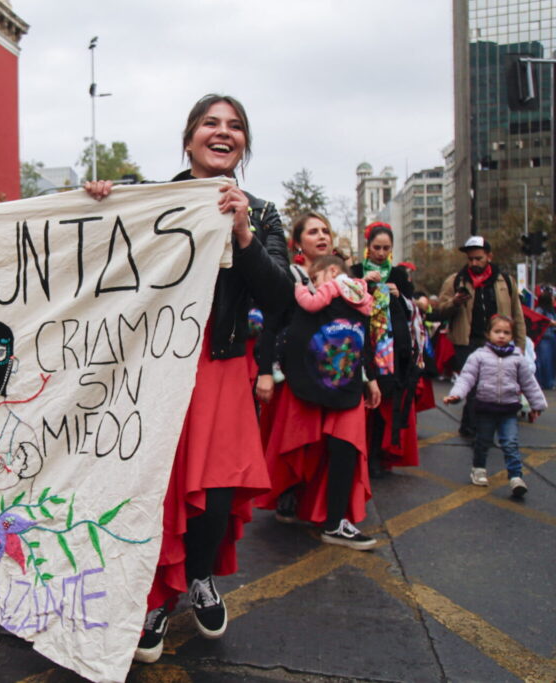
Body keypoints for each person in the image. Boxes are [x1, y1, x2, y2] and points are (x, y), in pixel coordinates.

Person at [86, 93, 292, 663]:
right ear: (189, 138)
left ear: (244, 144)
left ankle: (197, 577)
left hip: (223, 361)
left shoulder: (265, 213)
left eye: (235, 126)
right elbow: (98, 262)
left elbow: (281, 296)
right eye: (210, 123)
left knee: (216, 486)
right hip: (154, 362)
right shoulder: (152, 200)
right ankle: (154, 597)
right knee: (158, 483)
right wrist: (101, 204)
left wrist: (246, 235)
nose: (223, 133)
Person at [257, 211, 381, 551]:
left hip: (346, 378)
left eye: (325, 230)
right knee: (300, 443)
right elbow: (270, 324)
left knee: (345, 445)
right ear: (298, 243)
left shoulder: (349, 281)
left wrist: (370, 377)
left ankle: (336, 520)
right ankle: (291, 496)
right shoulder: (288, 279)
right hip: (301, 378)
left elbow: (362, 331)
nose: (322, 235)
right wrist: (265, 370)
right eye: (313, 231)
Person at [443, 314, 546, 497]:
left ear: (512, 336)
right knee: (483, 442)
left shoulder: (517, 358)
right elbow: (466, 378)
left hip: (509, 410)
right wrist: (456, 395)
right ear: (488, 334)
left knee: (511, 443)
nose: (501, 336)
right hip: (485, 409)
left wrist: (536, 405)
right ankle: (479, 468)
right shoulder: (479, 356)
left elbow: (529, 383)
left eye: (506, 332)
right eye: (497, 331)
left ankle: (515, 476)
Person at [436, 236, 525, 437]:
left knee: (488, 388)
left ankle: (470, 425)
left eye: (478, 258)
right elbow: (438, 311)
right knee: (476, 386)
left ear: (489, 257)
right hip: (467, 342)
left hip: (497, 343)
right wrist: (455, 302)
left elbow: (517, 316)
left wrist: (519, 347)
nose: (473, 263)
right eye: (470, 259)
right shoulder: (455, 281)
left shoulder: (506, 282)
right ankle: (475, 429)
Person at [351, 223, 419, 477]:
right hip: (362, 344)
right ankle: (361, 453)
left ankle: (379, 455)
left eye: (386, 248)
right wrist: (361, 284)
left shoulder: (399, 274)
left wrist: (398, 295)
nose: (381, 253)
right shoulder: (356, 271)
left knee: (387, 400)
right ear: (368, 248)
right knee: (363, 398)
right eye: (376, 247)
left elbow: (412, 309)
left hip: (392, 347)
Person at [295, 254, 370, 313]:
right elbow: (369, 309)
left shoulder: (331, 286)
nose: (314, 285)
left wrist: (300, 288)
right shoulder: (358, 286)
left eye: (315, 278)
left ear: (333, 271)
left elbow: (311, 304)